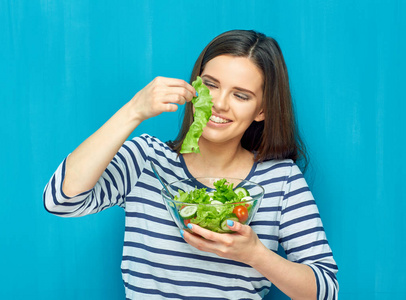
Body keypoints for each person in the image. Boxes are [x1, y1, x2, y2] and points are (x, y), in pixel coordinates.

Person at [43, 29, 338, 299]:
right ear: (194, 86)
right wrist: (133, 111)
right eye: (210, 85)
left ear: (261, 110)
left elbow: (326, 291)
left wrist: (255, 254)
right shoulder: (147, 159)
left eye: (241, 95)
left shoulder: (281, 179)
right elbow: (61, 201)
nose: (220, 104)